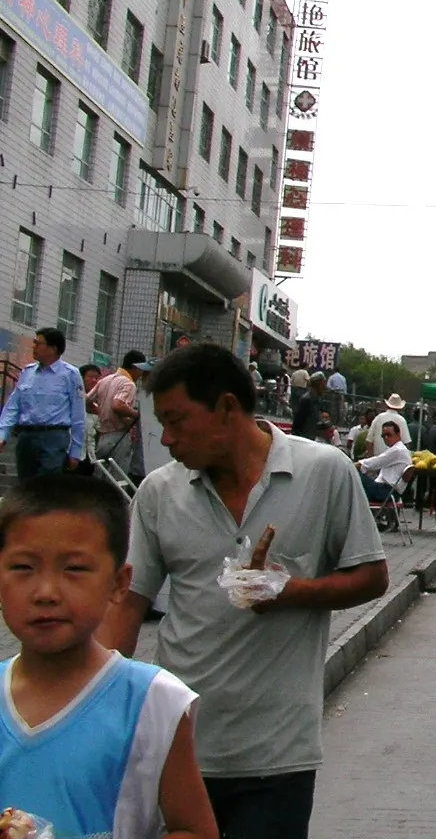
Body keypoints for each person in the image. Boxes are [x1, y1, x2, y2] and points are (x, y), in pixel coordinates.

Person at [97, 344, 389, 838]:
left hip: (277, 755)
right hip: (177, 745)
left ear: (228, 408)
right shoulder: (159, 493)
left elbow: (373, 576)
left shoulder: (324, 472)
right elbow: (129, 601)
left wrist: (287, 590)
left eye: (177, 420)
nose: (165, 438)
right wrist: (92, 706)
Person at [0, 475, 218, 839]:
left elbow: (194, 830)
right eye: (23, 568)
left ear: (119, 583)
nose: (46, 592)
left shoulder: (154, 701)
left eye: (74, 569)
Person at [0, 329, 87, 479]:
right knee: (25, 488)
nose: (33, 346)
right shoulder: (28, 372)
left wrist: (75, 451)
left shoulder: (70, 374)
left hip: (54, 438)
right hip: (27, 436)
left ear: (53, 349)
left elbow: (78, 415)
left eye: (37, 343)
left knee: (46, 486)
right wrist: (2, 435)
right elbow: (13, 406)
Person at [87, 349, 148, 478]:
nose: (141, 374)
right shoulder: (129, 384)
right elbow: (117, 404)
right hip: (118, 435)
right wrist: (136, 415)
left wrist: (101, 411)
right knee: (118, 478)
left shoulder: (105, 380)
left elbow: (87, 400)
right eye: (141, 370)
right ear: (135, 367)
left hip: (102, 436)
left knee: (99, 476)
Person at [357, 417, 413, 512]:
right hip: (388, 491)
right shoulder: (398, 449)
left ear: (398, 434)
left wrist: (354, 465)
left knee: (354, 473)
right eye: (383, 435)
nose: (386, 438)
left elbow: (376, 462)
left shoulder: (397, 450)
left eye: (389, 435)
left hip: (385, 492)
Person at [289, 370, 326, 439]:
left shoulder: (317, 400)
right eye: (323, 384)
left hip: (311, 439)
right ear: (317, 385)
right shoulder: (306, 400)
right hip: (303, 440)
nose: (324, 387)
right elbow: (298, 423)